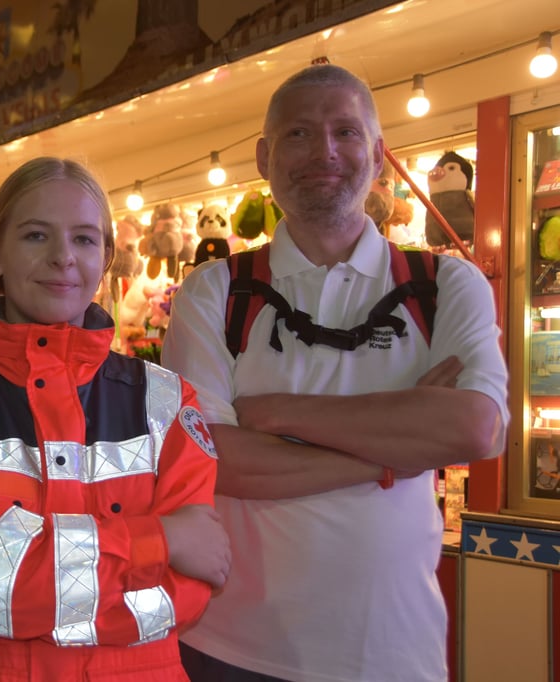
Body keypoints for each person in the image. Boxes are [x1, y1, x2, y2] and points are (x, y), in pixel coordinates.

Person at [161, 64, 509, 682]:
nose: (324, 152)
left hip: (394, 652)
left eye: (345, 132)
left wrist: (277, 413)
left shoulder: (446, 285)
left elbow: (475, 429)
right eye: (298, 134)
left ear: (376, 154)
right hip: (231, 649)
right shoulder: (215, 292)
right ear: (265, 157)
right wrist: (395, 455)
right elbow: (215, 463)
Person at [0, 156, 232, 681]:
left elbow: (186, 595)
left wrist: (30, 587)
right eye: (36, 236)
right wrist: (162, 541)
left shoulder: (167, 401)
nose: (63, 257)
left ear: (106, 257)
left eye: (84, 239)